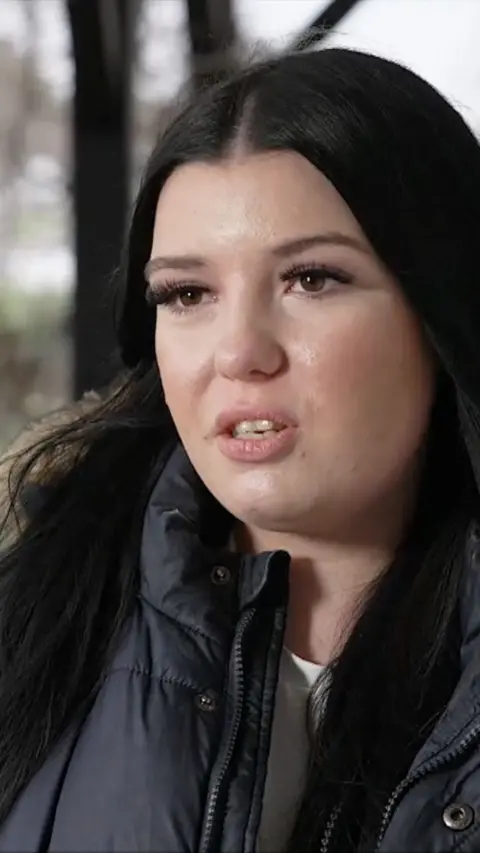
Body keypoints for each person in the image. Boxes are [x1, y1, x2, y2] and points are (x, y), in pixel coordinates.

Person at [1, 45, 480, 853]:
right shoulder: (35, 613)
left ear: (439, 308)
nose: (239, 352)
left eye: (312, 279)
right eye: (187, 293)